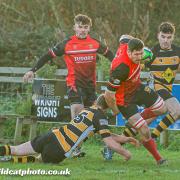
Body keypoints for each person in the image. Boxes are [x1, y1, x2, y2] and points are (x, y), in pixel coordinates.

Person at [23, 14, 114, 157]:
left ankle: (107, 147)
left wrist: (118, 68)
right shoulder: (67, 44)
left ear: (89, 28)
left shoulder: (95, 43)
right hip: (74, 84)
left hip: (90, 87)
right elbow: (47, 56)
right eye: (80, 27)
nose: (83, 30)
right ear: (74, 27)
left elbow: (111, 55)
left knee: (95, 117)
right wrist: (32, 70)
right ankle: (75, 148)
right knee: (77, 113)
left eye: (85, 27)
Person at [0, 94, 139, 164]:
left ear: (96, 101)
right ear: (108, 106)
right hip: (60, 148)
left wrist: (125, 138)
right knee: (37, 160)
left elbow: (107, 135)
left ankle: (6, 155)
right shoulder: (100, 116)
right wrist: (125, 153)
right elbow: (108, 141)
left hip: (52, 135)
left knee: (16, 149)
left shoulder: (88, 111)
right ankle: (8, 160)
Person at [104, 35, 167, 165]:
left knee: (162, 108)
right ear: (128, 52)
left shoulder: (128, 45)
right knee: (144, 130)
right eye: (136, 55)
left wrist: (139, 44)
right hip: (125, 100)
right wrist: (115, 111)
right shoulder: (121, 68)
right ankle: (159, 159)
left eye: (141, 53)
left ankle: (137, 121)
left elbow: (123, 37)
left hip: (137, 87)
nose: (139, 57)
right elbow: (108, 95)